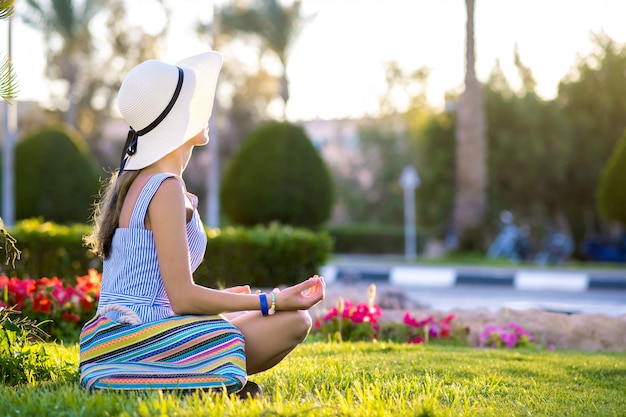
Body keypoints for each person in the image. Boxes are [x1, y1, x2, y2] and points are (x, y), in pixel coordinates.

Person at [79, 51, 326, 397]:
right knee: (294, 320)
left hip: (122, 335)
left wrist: (226, 298)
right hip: (140, 340)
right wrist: (273, 300)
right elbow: (181, 298)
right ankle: (191, 380)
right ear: (178, 119)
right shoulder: (164, 187)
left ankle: (194, 375)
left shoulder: (140, 182)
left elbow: (160, 293)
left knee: (256, 320)